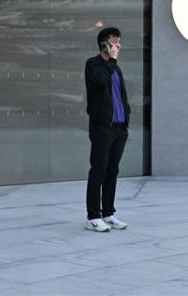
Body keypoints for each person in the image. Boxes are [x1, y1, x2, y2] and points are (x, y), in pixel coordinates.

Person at [84, 27, 130, 232]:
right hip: (102, 128)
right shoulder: (93, 64)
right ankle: (93, 216)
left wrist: (126, 119)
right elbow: (101, 80)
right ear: (103, 44)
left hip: (119, 128)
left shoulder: (116, 68)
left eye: (119, 41)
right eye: (114, 42)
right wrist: (111, 60)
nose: (118, 45)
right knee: (98, 171)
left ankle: (108, 213)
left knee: (112, 171)